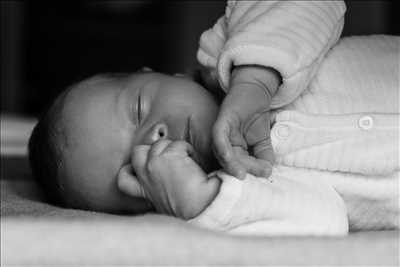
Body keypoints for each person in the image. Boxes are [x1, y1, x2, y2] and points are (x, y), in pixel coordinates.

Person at [28, 1, 399, 235]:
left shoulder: (225, 48)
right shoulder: (248, 195)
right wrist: (200, 201)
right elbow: (326, 222)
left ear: (158, 74)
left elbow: (315, 6)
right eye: (136, 169)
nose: (155, 140)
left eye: (139, 109)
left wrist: (253, 80)